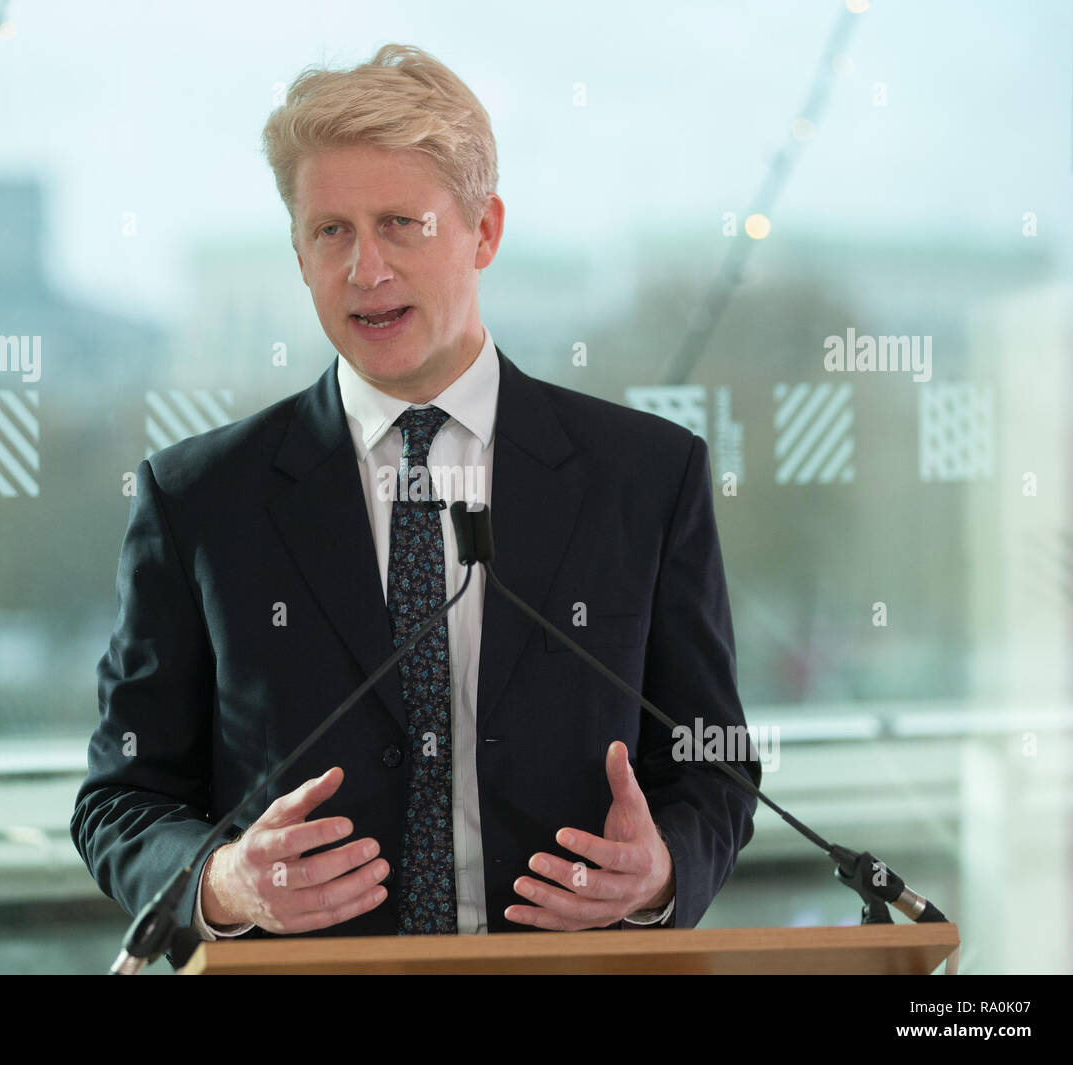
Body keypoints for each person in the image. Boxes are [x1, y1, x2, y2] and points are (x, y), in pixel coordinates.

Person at [72, 43, 759, 954]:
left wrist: (664, 866)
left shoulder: (645, 478)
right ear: (299, 250)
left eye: (400, 223)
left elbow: (714, 762)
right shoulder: (198, 500)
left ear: (483, 231)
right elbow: (121, 796)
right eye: (331, 231)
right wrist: (224, 880)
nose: (365, 268)